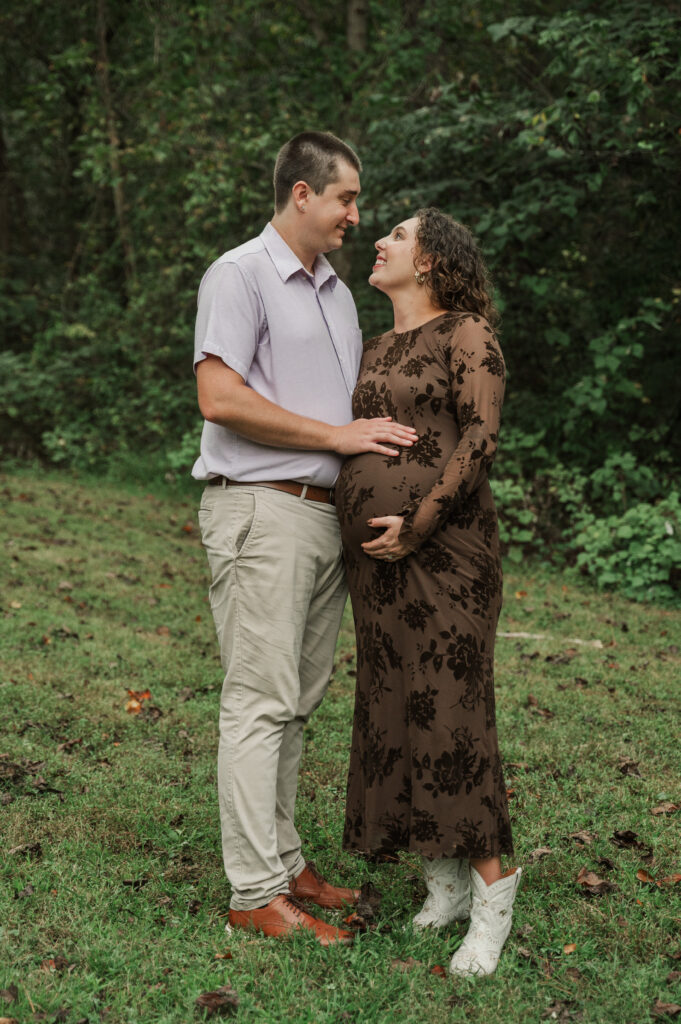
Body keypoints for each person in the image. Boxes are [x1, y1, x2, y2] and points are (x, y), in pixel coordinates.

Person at [192, 131, 417, 947]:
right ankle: (253, 892)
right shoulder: (240, 273)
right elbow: (218, 396)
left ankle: (286, 867)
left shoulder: (334, 294)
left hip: (325, 520)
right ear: (300, 193)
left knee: (295, 703)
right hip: (261, 509)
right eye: (346, 198)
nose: (356, 214)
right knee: (258, 702)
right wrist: (336, 436)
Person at [336, 208, 521, 976]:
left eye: (399, 236)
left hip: (447, 553)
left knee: (449, 712)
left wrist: (416, 522)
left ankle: (492, 886)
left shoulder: (466, 333)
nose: (379, 241)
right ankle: (439, 878)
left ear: (433, 261)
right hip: (374, 566)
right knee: (393, 705)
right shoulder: (372, 345)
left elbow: (479, 436)